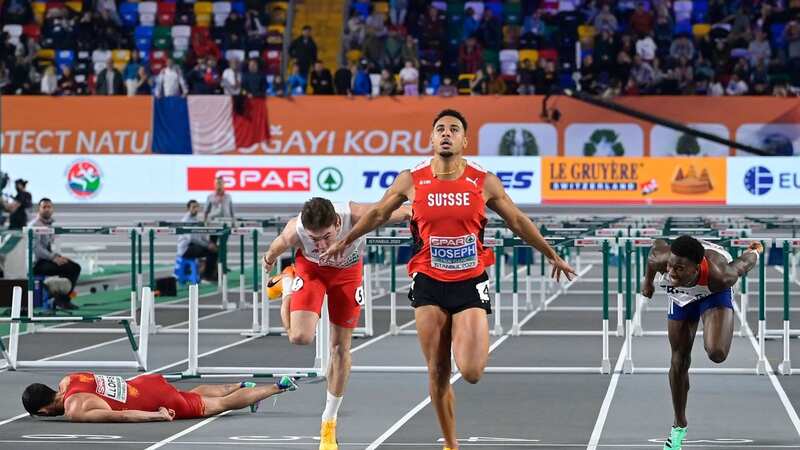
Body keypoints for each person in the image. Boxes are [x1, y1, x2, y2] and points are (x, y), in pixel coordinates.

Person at [322, 109, 576, 450]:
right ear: (430, 138)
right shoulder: (411, 179)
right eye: (440, 129)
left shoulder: (482, 180)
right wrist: (346, 239)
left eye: (453, 129)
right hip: (427, 281)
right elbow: (379, 213)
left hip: (469, 282)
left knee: (471, 371)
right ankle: (451, 445)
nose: (446, 133)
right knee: (438, 369)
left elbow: (517, 219)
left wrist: (551, 253)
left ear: (464, 140)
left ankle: (463, 340)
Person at [261, 198, 410, 450]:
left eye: (327, 237)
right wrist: (268, 261)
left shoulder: (357, 215)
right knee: (299, 337)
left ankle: (328, 423)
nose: (320, 245)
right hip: (312, 272)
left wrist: (416, 212)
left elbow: (400, 212)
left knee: (340, 349)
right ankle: (288, 283)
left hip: (348, 274)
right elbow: (276, 248)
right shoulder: (294, 230)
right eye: (314, 239)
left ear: (338, 223)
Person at [642, 235, 764, 450]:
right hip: (680, 297)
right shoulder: (663, 259)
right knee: (678, 359)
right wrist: (647, 283)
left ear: (696, 268)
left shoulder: (721, 276)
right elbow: (653, 256)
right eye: (670, 266)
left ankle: (713, 323)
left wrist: (754, 251)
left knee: (717, 353)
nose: (670, 272)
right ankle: (679, 426)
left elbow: (743, 265)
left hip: (712, 294)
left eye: (679, 268)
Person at [22, 372, 297, 422]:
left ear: (44, 411)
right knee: (191, 393)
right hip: (146, 384)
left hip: (154, 402)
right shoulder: (68, 380)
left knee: (216, 406)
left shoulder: (76, 409)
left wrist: (157, 414)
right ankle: (242, 384)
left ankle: (278, 387)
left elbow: (123, 415)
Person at [31, 198, 81, 310]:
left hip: (47, 259)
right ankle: (60, 299)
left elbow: (48, 247)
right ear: (39, 209)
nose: (47, 209)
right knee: (71, 268)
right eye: (44, 207)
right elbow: (37, 249)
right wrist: (53, 258)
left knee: (74, 266)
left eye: (49, 207)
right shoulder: (35, 225)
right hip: (37, 263)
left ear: (52, 209)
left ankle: (59, 298)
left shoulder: (50, 225)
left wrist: (58, 256)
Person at [178, 200, 218, 282]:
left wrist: (210, 243)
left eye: (197, 207)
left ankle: (211, 273)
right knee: (211, 251)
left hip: (193, 246)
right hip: (186, 249)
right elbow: (192, 239)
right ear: (188, 209)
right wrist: (207, 246)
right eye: (193, 207)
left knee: (215, 249)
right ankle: (206, 276)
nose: (196, 209)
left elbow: (201, 236)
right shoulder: (186, 221)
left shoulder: (195, 220)